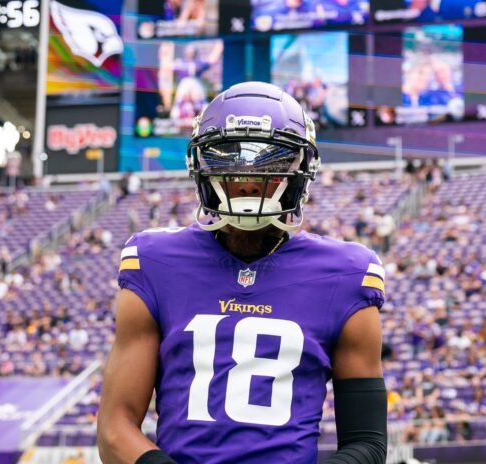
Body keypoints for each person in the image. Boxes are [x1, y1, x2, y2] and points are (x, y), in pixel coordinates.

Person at [98, 82, 387, 464]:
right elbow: (115, 428)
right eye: (227, 160)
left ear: (302, 167)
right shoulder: (156, 262)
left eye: (271, 160)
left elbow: (367, 444)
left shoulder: (345, 274)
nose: (248, 178)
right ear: (199, 166)